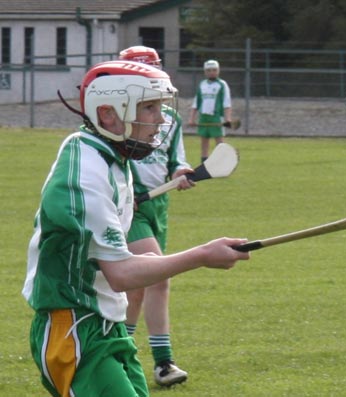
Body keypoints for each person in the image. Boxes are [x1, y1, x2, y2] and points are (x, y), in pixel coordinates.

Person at [22, 60, 250, 397]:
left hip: (106, 325)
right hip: (73, 329)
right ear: (108, 114)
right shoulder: (84, 174)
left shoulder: (107, 156)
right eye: (149, 107)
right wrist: (202, 254)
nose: (160, 119)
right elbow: (122, 273)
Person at [119, 45, 192, 386]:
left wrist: (182, 172)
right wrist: (119, 191)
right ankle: (164, 364)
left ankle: (119, 354)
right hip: (126, 207)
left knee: (137, 290)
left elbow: (176, 160)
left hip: (156, 206)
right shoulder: (113, 117)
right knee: (159, 276)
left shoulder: (171, 120)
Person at [188, 59, 232, 162]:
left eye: (214, 70)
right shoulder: (202, 84)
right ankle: (204, 162)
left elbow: (227, 102)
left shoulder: (222, 84)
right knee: (204, 140)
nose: (212, 72)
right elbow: (196, 103)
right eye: (209, 70)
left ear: (218, 70)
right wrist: (192, 118)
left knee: (219, 141)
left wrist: (228, 118)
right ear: (205, 72)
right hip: (203, 117)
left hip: (216, 117)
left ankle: (221, 162)